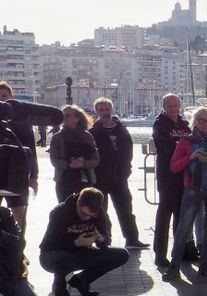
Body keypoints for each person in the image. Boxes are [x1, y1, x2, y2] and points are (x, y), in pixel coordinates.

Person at [162, 107, 207, 280]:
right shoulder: (186, 142)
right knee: (183, 227)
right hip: (192, 189)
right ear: (195, 122)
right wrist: (191, 157)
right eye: (201, 120)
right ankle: (174, 265)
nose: (205, 124)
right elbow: (174, 167)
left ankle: (205, 263)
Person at [39, 187, 129, 296]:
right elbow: (48, 245)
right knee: (63, 258)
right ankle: (59, 288)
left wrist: (101, 239)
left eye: (91, 216)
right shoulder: (60, 212)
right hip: (53, 255)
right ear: (78, 203)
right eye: (84, 214)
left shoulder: (99, 212)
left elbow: (105, 242)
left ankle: (82, 280)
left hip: (82, 253)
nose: (87, 218)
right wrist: (76, 243)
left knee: (122, 254)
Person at [89, 98, 149, 250]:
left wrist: (127, 169)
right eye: (101, 110)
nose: (105, 113)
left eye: (107, 109)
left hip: (120, 177)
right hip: (100, 178)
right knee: (101, 211)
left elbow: (128, 150)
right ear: (97, 112)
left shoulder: (121, 129)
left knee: (126, 210)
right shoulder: (93, 132)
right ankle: (104, 240)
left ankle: (132, 239)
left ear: (111, 109)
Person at [152, 94, 192, 267]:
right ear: (164, 106)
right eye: (170, 106)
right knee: (164, 215)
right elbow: (166, 148)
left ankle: (180, 251)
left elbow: (191, 144)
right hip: (167, 176)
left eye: (176, 105)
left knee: (181, 216)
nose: (174, 109)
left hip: (184, 175)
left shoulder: (184, 124)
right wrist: (184, 151)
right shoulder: (159, 124)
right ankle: (160, 254)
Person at [0, 81, 42, 235]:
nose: (1, 99)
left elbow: (31, 150)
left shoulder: (22, 123)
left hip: (17, 175)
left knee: (19, 215)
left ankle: (19, 249)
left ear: (11, 97)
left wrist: (34, 177)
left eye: (4, 96)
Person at [49, 105, 99, 203]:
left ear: (77, 118)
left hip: (84, 178)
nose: (64, 118)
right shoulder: (57, 137)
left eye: (68, 115)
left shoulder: (86, 136)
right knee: (64, 208)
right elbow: (54, 160)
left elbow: (95, 159)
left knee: (84, 207)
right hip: (63, 179)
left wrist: (84, 163)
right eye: (63, 116)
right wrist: (69, 165)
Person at [0, 204, 41, 296]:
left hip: (8, 274)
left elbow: (20, 243)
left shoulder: (4, 213)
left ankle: (24, 287)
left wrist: (1, 235)